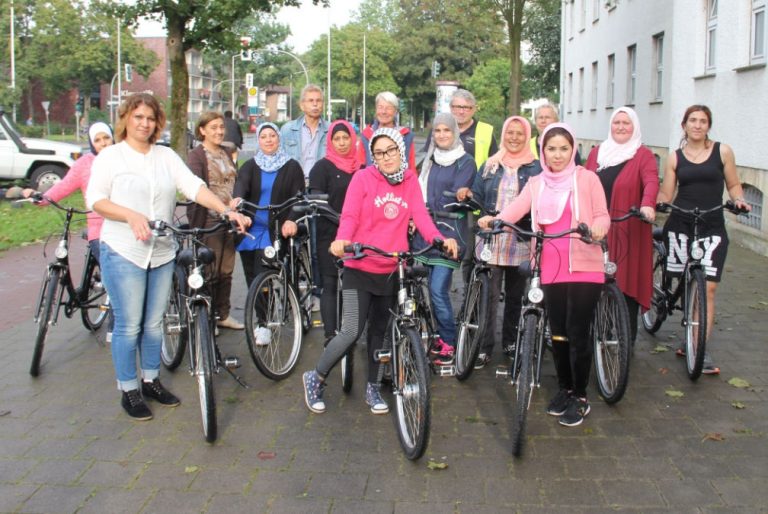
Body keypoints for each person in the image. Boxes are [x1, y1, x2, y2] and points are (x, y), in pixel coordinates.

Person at [86, 93, 250, 421]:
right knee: (129, 325)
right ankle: (129, 389)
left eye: (150, 118)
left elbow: (192, 185)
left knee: (153, 323)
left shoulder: (164, 156)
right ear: (126, 120)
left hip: (161, 252)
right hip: (123, 250)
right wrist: (130, 216)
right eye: (138, 117)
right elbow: (96, 199)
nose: (145, 123)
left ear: (157, 122)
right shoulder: (112, 156)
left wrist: (225, 211)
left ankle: (150, 380)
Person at [302, 128, 458, 415]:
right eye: (379, 152)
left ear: (401, 150)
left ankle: (373, 388)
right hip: (359, 264)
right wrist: (342, 241)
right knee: (351, 330)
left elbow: (420, 216)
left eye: (391, 151)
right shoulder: (363, 178)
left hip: (391, 267)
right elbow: (350, 215)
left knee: (380, 334)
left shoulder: (410, 180)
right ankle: (316, 377)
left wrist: (438, 238)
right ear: (372, 156)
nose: (386, 157)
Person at [478, 123, 609, 427]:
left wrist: (600, 227)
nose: (558, 155)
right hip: (549, 265)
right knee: (558, 333)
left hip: (584, 265)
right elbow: (516, 208)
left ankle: (580, 396)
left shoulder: (587, 178)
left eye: (564, 148)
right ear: (543, 151)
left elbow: (602, 214)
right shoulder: (537, 182)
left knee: (578, 333)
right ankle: (564, 388)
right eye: (552, 149)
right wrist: (495, 220)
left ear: (573, 149)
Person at [656, 105, 751, 375]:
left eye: (703, 121)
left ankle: (698, 347)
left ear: (709, 125)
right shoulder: (674, 157)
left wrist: (739, 200)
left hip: (712, 224)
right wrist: (660, 203)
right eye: (693, 120)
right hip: (681, 222)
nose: (697, 125)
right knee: (683, 280)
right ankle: (687, 320)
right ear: (684, 125)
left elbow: (733, 185)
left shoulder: (723, 151)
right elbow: (667, 191)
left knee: (707, 288)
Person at [457, 116, 542, 369]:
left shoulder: (537, 169)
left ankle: (510, 341)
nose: (514, 138)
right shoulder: (490, 165)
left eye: (519, 133)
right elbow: (479, 195)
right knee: (488, 296)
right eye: (509, 133)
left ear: (527, 136)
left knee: (516, 295)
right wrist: (474, 201)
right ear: (503, 134)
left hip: (521, 238)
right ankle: (483, 347)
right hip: (492, 239)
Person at [584, 107, 659, 345]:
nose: (621, 127)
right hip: (598, 229)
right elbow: (583, 182)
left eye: (626, 123)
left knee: (625, 285)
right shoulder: (598, 153)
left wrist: (647, 205)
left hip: (629, 228)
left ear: (634, 126)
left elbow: (650, 182)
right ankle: (599, 336)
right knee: (595, 283)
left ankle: (626, 342)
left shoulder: (643, 155)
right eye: (617, 122)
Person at [414, 113, 476, 366]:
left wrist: (461, 195)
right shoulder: (428, 160)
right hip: (423, 233)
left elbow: (459, 196)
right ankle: (425, 333)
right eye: (437, 131)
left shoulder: (465, 162)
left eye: (446, 131)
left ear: (455, 133)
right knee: (417, 288)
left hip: (450, 234)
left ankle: (448, 340)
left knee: (438, 289)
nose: (441, 135)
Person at [23, 122, 114, 262]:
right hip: (99, 231)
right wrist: (41, 198)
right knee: (113, 272)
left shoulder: (124, 159)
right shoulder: (84, 164)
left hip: (125, 228)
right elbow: (64, 185)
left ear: (113, 138)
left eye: (106, 138)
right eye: (97, 140)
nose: (103, 143)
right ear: (91, 143)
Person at [186, 111, 243, 331]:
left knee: (226, 270)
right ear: (202, 130)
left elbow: (233, 182)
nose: (219, 131)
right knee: (210, 271)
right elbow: (196, 188)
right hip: (208, 220)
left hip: (229, 220)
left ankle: (223, 314)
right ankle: (206, 318)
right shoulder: (197, 155)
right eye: (213, 128)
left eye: (221, 127)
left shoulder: (226, 152)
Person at [233, 122, 305, 289]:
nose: (268, 140)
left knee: (262, 274)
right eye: (263, 137)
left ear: (279, 138)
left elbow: (298, 198)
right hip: (251, 230)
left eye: (272, 136)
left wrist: (292, 220)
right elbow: (241, 186)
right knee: (251, 278)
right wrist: (237, 199)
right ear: (258, 140)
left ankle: (267, 312)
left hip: (276, 229)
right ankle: (260, 313)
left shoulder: (292, 166)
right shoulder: (250, 165)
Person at [308, 120, 362, 342]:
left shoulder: (361, 168)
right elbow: (316, 199)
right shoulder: (321, 167)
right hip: (328, 232)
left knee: (353, 284)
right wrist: (340, 219)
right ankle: (330, 335)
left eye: (345, 138)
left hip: (358, 233)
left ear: (352, 139)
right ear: (330, 141)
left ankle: (350, 331)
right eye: (336, 139)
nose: (341, 143)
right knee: (330, 283)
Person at [279, 84, 330, 180]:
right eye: (311, 101)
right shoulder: (287, 130)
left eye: (318, 100)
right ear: (302, 105)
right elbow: (279, 160)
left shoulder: (330, 130)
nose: (315, 104)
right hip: (294, 183)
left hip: (321, 184)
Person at [358, 92, 416, 169]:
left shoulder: (406, 136)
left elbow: (411, 167)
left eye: (388, 108)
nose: (384, 112)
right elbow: (360, 166)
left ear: (395, 111)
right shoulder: (366, 135)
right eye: (380, 107)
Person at [448, 89, 498, 168]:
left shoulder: (486, 131)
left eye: (466, 108)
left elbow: (495, 163)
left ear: (474, 109)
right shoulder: (440, 129)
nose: (461, 112)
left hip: (477, 179)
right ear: (450, 108)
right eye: (457, 107)